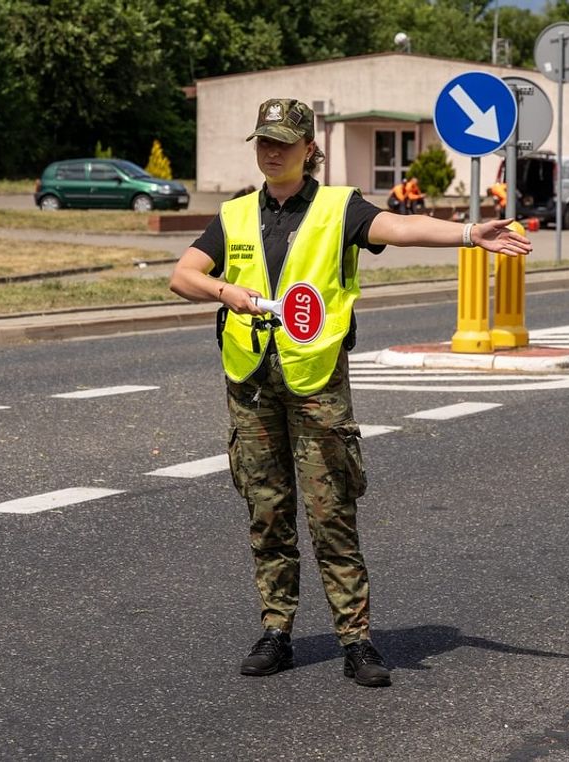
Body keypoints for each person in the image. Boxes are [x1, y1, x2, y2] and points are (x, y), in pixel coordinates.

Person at [169, 97, 531, 689]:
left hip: (316, 385)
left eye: (285, 141)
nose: (273, 150)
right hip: (252, 384)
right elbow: (182, 274)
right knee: (267, 513)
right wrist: (221, 291)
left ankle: (356, 641)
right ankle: (276, 631)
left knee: (331, 512)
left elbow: (403, 226)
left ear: (310, 149)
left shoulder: (340, 207)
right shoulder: (235, 214)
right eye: (264, 140)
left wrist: (469, 233)